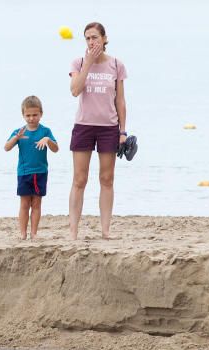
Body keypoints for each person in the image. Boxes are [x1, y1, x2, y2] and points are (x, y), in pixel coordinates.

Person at [68, 22, 128, 240]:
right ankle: (73, 232)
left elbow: (120, 100)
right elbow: (75, 91)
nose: (91, 42)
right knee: (79, 179)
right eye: (87, 38)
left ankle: (105, 230)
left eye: (94, 37)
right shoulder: (79, 62)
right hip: (84, 125)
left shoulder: (116, 65)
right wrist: (88, 64)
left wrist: (122, 131)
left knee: (107, 178)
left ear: (104, 38)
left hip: (108, 127)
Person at [4, 96, 58, 240]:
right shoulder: (19, 132)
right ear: (23, 115)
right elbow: (6, 147)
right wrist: (16, 138)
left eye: (35, 115)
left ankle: (34, 233)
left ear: (41, 114)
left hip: (40, 173)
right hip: (24, 173)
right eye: (28, 115)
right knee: (24, 203)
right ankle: (22, 233)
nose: (31, 118)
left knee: (36, 204)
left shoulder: (45, 131)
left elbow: (56, 148)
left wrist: (47, 140)